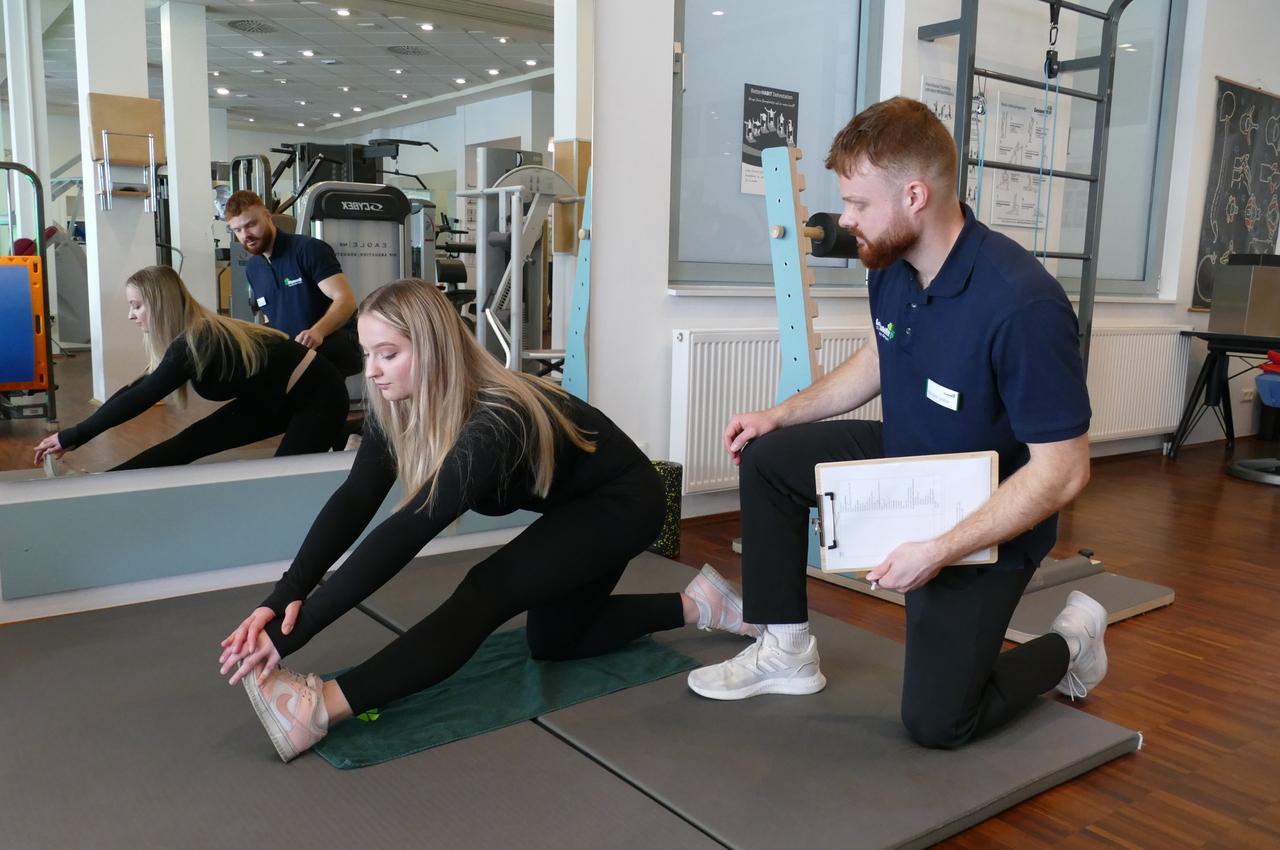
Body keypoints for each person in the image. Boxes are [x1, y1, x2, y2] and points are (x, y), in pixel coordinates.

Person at [687, 97, 1108, 749]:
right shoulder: (895, 265)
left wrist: (938, 550)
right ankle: (786, 651)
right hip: (909, 458)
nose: (844, 219)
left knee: (939, 723)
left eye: (857, 203)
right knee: (771, 457)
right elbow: (882, 355)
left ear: (915, 194)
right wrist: (780, 415)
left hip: (986, 509)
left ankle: (1073, 642)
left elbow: (1063, 471)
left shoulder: (1023, 305)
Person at [217, 279, 758, 763]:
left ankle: (317, 709)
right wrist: (282, 597)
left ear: (432, 351)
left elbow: (409, 529)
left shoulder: (493, 420)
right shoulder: (401, 405)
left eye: (388, 353)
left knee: (486, 591)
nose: (373, 370)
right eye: (367, 354)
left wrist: (296, 633)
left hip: (624, 502)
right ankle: (702, 604)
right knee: (554, 641)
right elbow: (357, 497)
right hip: (576, 505)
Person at [33, 266, 348, 471]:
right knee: (191, 442)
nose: (132, 316)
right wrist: (76, 436)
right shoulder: (187, 340)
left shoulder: (199, 339)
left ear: (160, 303)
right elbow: (134, 390)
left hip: (317, 395)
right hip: (274, 396)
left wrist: (74, 434)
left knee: (287, 478)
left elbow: (144, 396)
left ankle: (352, 435)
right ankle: (107, 483)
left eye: (136, 306)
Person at [224, 190, 362, 376]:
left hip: (328, 355)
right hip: (292, 358)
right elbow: (272, 319)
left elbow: (346, 301)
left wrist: (317, 332)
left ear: (267, 216)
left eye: (251, 225)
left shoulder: (307, 249)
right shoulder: (253, 269)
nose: (245, 235)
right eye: (237, 230)